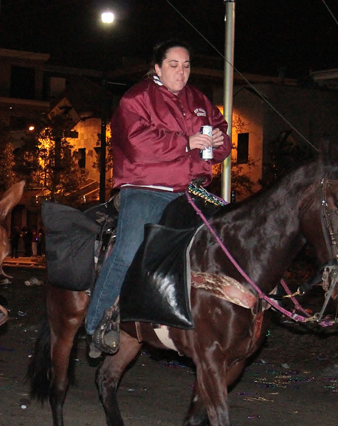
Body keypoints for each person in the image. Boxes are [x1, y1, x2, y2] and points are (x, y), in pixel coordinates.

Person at [86, 39, 231, 358]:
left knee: (225, 243)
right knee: (127, 250)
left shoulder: (199, 100)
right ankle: (96, 323)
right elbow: (137, 143)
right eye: (174, 65)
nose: (181, 72)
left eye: (187, 65)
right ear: (157, 68)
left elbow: (219, 141)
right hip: (146, 187)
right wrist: (186, 141)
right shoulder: (137, 98)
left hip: (190, 191)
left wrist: (219, 142)